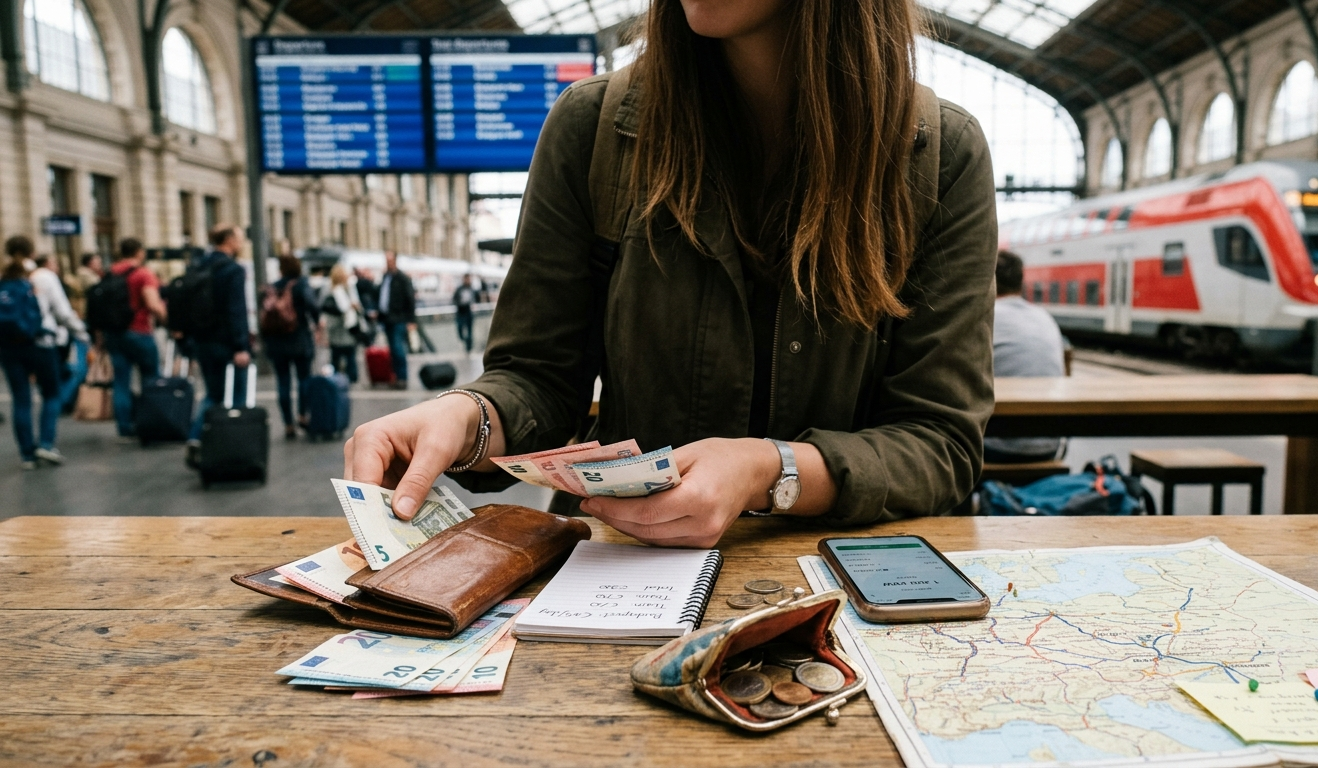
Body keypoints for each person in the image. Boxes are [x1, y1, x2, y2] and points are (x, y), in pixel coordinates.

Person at [343, 0, 997, 547]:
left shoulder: (938, 153)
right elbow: (539, 379)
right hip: (623, 574)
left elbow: (941, 441)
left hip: (843, 577)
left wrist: (772, 470)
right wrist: (468, 419)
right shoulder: (593, 127)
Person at [0, 241, 86, 468]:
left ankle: (27, 455)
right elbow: (62, 312)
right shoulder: (43, 276)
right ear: (33, 252)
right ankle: (46, 444)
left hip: (8, 346)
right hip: (41, 342)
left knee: (21, 399)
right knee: (51, 393)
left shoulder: (4, 276)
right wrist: (81, 334)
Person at [983, 250, 1066, 464]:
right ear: (1021, 281)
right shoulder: (1044, 317)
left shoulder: (984, 316)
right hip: (1048, 448)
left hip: (995, 448)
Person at [185, 224, 251, 466]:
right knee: (237, 396)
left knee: (213, 394)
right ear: (230, 240)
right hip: (226, 343)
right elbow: (236, 311)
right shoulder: (232, 270)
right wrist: (241, 346)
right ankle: (233, 446)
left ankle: (196, 438)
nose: (242, 242)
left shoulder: (198, 265)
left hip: (202, 341)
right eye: (240, 238)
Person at [104, 239, 166, 440]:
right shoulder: (143, 273)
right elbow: (153, 304)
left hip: (113, 333)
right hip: (139, 331)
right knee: (151, 378)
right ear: (139, 252)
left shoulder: (109, 272)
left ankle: (124, 426)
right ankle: (151, 420)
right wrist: (168, 321)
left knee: (121, 381)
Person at [261, 255, 320, 439]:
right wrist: (316, 323)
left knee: (283, 381)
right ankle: (302, 415)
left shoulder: (272, 287)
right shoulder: (301, 285)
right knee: (304, 379)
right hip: (299, 339)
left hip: (276, 342)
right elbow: (313, 306)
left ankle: (288, 424)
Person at [58, 253, 103, 409]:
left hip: (77, 322)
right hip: (82, 323)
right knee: (83, 363)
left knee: (78, 362)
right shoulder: (89, 278)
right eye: (97, 261)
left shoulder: (75, 278)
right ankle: (65, 398)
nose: (100, 264)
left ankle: (66, 397)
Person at [376, 252, 416, 389]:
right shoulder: (385, 277)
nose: (388, 263)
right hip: (386, 319)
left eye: (390, 260)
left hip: (399, 319)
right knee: (392, 350)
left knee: (398, 349)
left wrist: (411, 320)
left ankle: (402, 378)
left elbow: (410, 299)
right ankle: (395, 376)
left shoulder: (402, 278)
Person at [322, 264, 363, 383]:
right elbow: (325, 307)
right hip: (338, 326)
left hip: (347, 326)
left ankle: (346, 377)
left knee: (343, 354)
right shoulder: (331, 289)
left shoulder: (348, 288)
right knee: (343, 354)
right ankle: (344, 377)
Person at [452, 273, 482, 353]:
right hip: (460, 312)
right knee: (460, 329)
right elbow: (454, 299)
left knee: (469, 331)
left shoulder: (473, 289)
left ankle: (469, 347)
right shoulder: (459, 289)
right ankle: (465, 341)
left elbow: (477, 299)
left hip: (469, 312)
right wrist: (460, 304)